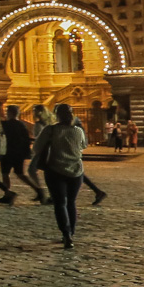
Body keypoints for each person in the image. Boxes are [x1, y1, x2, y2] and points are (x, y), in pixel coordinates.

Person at [31, 102, 88, 248]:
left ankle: (66, 234)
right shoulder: (78, 130)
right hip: (76, 171)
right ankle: (72, 233)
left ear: (57, 115)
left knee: (60, 204)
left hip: (55, 170)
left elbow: (37, 148)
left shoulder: (50, 130)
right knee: (71, 203)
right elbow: (83, 146)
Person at [0, 105, 36, 205]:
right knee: (20, 174)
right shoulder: (22, 124)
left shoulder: (6, 124)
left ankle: (7, 194)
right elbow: (26, 139)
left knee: (5, 174)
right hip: (19, 153)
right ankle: (37, 190)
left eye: (7, 112)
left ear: (10, 113)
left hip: (8, 152)